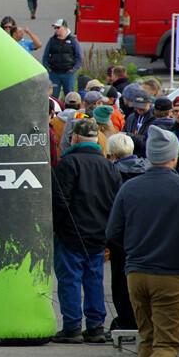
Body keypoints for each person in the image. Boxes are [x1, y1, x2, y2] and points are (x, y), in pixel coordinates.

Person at [106, 126, 179, 357]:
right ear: (173, 156)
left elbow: (112, 232)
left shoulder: (130, 189)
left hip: (136, 272)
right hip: (172, 273)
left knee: (146, 336)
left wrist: (134, 248)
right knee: (168, 341)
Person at [51, 118, 122, 344]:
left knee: (70, 279)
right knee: (94, 278)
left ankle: (72, 326)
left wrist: (58, 227)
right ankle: (95, 326)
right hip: (99, 233)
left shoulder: (68, 164)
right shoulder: (109, 167)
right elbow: (116, 202)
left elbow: (60, 201)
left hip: (71, 233)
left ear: (74, 138)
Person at [105, 133, 147, 334]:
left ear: (111, 153)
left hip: (122, 237)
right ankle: (145, 319)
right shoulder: (147, 169)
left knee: (121, 282)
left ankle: (126, 319)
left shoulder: (111, 173)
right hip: (147, 234)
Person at [42, 18, 82, 98]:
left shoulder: (73, 40)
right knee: (53, 95)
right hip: (54, 73)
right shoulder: (52, 40)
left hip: (68, 73)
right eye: (55, 28)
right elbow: (45, 56)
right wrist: (47, 68)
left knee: (70, 96)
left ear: (65, 27)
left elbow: (78, 57)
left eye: (58, 27)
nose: (56, 30)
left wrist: (74, 69)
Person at [122, 89, 154, 157]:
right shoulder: (131, 117)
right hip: (131, 156)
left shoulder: (155, 119)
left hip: (146, 157)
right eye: (137, 106)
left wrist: (130, 136)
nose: (139, 109)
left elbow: (149, 141)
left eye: (142, 106)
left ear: (150, 103)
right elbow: (124, 132)